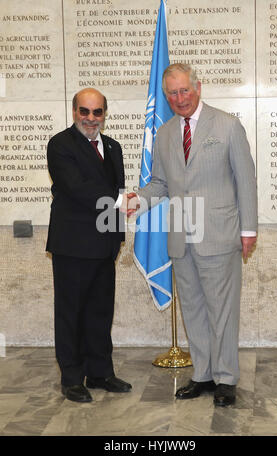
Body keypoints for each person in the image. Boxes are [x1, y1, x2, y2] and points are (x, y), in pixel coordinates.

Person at [128, 64, 257, 407]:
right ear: (166, 96)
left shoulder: (227, 125)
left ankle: (226, 378)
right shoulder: (166, 133)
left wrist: (248, 230)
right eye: (172, 93)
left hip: (219, 234)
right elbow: (160, 184)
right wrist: (136, 200)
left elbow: (245, 180)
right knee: (195, 310)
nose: (179, 98)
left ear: (198, 88)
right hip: (181, 239)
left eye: (185, 90)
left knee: (223, 311)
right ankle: (202, 374)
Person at [46, 88, 132, 403]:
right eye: (85, 111)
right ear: (74, 112)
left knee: (100, 311)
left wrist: (118, 236)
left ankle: (100, 372)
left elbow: (117, 188)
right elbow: (77, 188)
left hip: (105, 243)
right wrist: (121, 201)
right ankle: (71, 377)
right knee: (71, 313)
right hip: (73, 245)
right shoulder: (60, 145)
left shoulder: (113, 146)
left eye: (97, 112)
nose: (91, 119)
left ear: (104, 114)